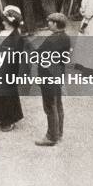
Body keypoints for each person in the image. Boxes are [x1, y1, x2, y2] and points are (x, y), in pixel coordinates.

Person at [35, 13, 71, 146]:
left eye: (49, 21)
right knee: (58, 105)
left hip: (48, 76)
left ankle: (51, 136)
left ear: (56, 24)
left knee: (49, 106)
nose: (48, 23)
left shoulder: (51, 40)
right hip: (58, 74)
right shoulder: (66, 37)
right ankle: (59, 132)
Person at [0, 5, 25, 131]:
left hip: (8, 70)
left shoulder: (16, 38)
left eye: (5, 20)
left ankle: (9, 119)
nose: (2, 21)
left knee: (7, 94)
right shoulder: (5, 31)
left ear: (10, 22)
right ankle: (1, 116)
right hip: (0, 66)